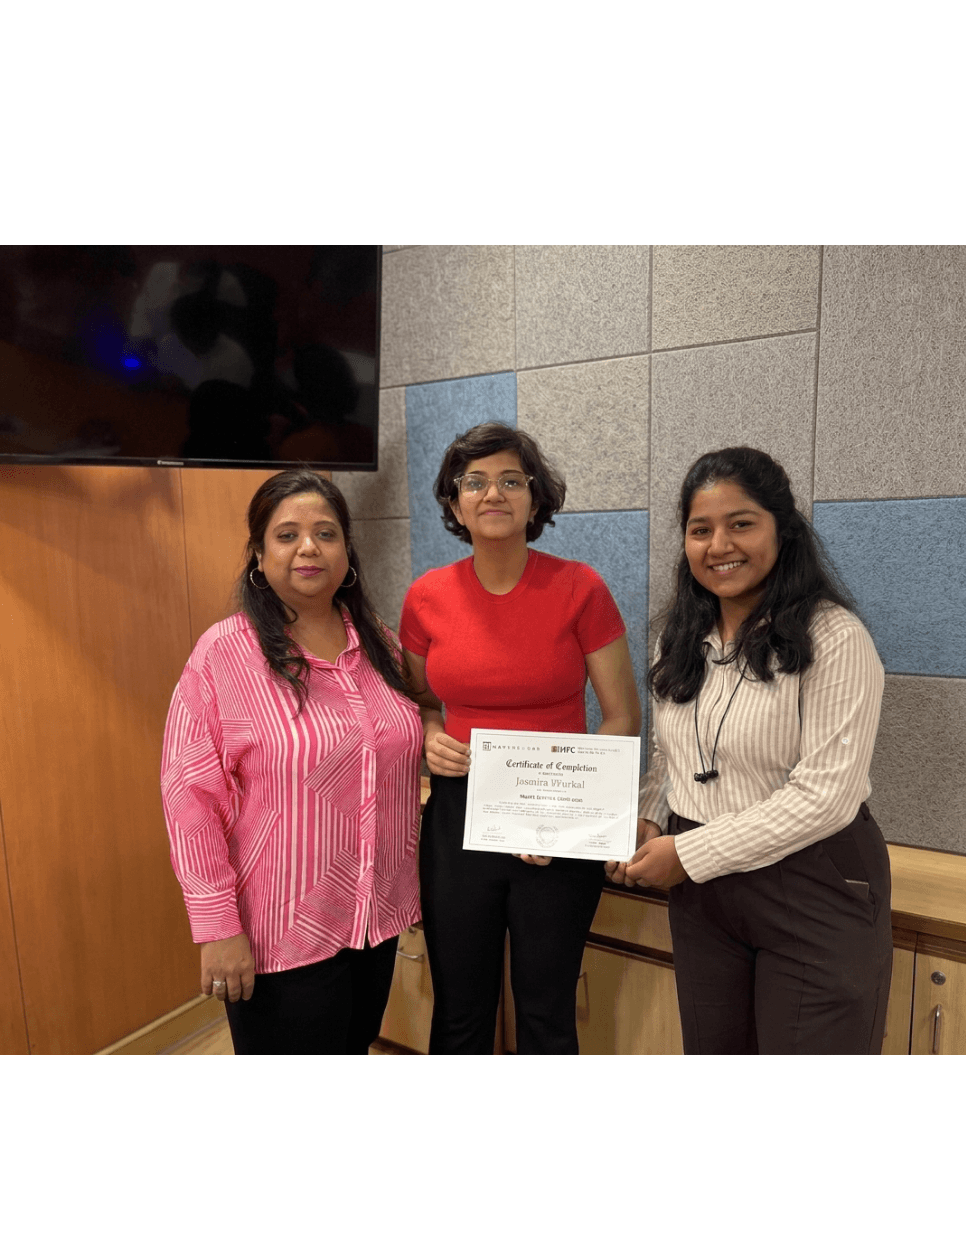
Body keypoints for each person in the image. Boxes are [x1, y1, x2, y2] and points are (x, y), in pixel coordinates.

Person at [607, 447, 892, 1054]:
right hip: (701, 893)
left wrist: (688, 853)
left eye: (741, 523)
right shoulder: (678, 636)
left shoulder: (834, 638)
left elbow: (826, 798)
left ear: (781, 530)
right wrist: (648, 816)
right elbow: (671, 756)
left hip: (812, 880)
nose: (719, 545)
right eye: (700, 529)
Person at [399, 422, 641, 1054]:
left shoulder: (580, 588)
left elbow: (622, 717)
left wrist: (563, 818)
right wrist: (428, 733)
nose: (493, 494)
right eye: (473, 482)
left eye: (511, 480)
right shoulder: (426, 598)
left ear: (536, 499)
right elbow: (418, 700)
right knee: (459, 1009)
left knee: (545, 1010)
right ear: (454, 503)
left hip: (558, 821)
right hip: (457, 816)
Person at [161, 469, 422, 1054]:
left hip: (372, 921)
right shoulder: (225, 654)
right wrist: (218, 929)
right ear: (258, 554)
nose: (309, 547)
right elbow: (189, 797)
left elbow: (413, 723)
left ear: (347, 552)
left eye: (326, 533)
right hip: (277, 933)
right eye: (287, 535)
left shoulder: (376, 641)